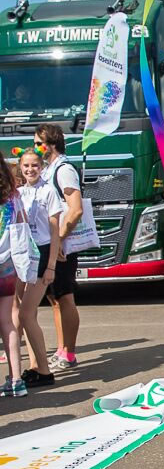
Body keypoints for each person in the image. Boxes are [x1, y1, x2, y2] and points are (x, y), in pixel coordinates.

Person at [34, 124, 83, 371]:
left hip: (63, 244)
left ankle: (70, 354)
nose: (35, 147)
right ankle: (62, 350)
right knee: (55, 298)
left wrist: (60, 239)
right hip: (53, 244)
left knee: (65, 296)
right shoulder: (50, 169)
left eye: (38, 142)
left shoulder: (64, 170)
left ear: (51, 144)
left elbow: (76, 209)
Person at [15, 150, 60, 389]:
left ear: (41, 167)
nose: (30, 169)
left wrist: (51, 265)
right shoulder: (19, 193)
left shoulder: (49, 191)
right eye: (26, 166)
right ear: (20, 168)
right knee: (27, 315)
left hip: (42, 255)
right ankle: (34, 365)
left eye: (34, 165)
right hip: (23, 253)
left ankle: (45, 371)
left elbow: (54, 232)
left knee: (25, 314)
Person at [0, 152, 39, 398]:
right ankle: (17, 380)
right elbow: (23, 224)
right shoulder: (12, 196)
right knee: (8, 323)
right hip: (6, 266)